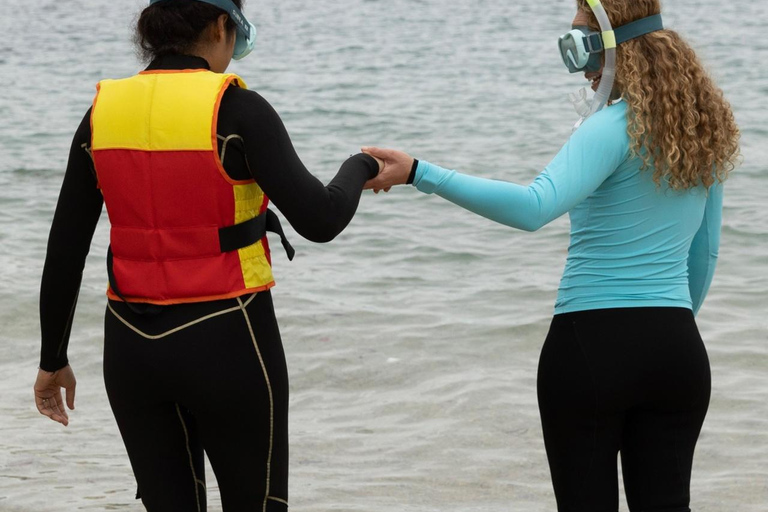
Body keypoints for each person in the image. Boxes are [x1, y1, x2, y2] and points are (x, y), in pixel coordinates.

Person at [363, 0, 740, 510]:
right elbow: (707, 252)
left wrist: (419, 173)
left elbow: (533, 207)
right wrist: (664, 331)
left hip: (591, 350)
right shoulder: (700, 133)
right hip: (677, 352)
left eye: (582, 44)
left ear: (613, 47)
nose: (581, 65)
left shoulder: (609, 129)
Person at [33, 0, 381, 510]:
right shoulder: (237, 110)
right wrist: (363, 164)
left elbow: (65, 246)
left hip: (132, 349)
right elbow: (321, 219)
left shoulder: (101, 114)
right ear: (222, 26)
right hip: (228, 337)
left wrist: (52, 359)